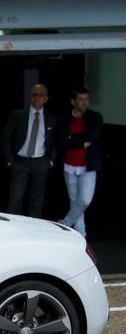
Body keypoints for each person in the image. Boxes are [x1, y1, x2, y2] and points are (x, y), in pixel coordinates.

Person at [1, 84, 56, 217]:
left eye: (41, 95)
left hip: (41, 162)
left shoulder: (51, 119)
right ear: (30, 97)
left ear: (46, 98)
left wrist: (50, 162)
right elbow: (5, 138)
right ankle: (10, 229)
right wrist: (10, 161)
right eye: (34, 95)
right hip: (20, 161)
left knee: (37, 201)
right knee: (16, 198)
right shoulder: (18, 115)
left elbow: (54, 142)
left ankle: (33, 232)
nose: (37, 98)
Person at [56, 88, 103, 241]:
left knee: (84, 200)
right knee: (74, 200)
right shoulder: (64, 119)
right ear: (73, 102)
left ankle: (67, 223)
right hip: (69, 166)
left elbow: (93, 136)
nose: (85, 102)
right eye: (81, 99)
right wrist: (81, 142)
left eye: (87, 99)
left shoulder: (95, 117)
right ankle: (81, 233)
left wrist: (72, 139)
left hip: (87, 167)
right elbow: (62, 143)